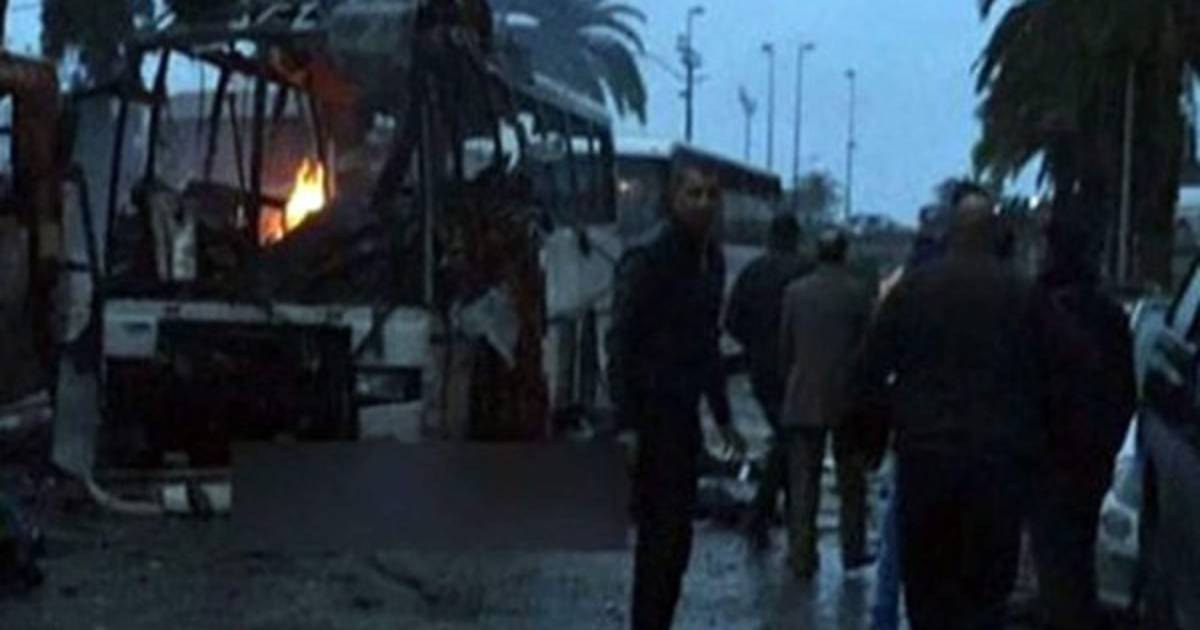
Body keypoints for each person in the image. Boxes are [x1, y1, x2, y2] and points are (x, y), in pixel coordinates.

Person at [854, 182, 1051, 630]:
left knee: (928, 591)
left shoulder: (913, 290)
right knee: (986, 594)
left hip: (926, 460)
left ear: (951, 232)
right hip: (997, 467)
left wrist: (872, 442)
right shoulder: (1023, 295)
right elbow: (1054, 377)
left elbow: (868, 371)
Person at [606, 159, 748, 630]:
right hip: (650, 418)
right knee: (659, 540)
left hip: (683, 419)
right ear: (674, 199)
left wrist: (723, 417)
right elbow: (620, 340)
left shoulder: (711, 261)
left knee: (676, 541)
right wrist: (627, 423)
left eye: (711, 194)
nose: (704, 203)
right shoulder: (649, 258)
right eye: (694, 193)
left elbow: (707, 345)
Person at [1030, 214, 1136, 630]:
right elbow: (1125, 389)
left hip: (1049, 455)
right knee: (1080, 553)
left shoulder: (1037, 308)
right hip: (1092, 456)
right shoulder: (1108, 314)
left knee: (1054, 558)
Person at [869, 206, 950, 630]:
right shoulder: (953, 290)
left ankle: (884, 615)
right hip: (947, 432)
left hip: (912, 431)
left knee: (897, 529)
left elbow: (874, 363)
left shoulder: (900, 289)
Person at [778, 228, 875, 579]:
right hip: (847, 400)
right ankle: (853, 550)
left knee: (803, 483)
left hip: (803, 395)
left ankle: (801, 553)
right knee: (851, 483)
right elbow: (868, 348)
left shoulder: (795, 292)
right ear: (844, 254)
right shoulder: (859, 294)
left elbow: (785, 346)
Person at [725, 214, 813, 548]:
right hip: (798, 366)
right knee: (789, 437)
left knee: (785, 436)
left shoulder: (753, 272)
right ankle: (767, 513)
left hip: (762, 368)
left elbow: (731, 321)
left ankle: (773, 514)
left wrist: (754, 343)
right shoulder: (807, 271)